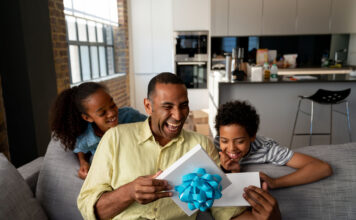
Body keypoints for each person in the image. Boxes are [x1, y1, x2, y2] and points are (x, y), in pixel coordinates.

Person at [77, 72, 281, 220]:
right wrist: (128, 192)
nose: (178, 115)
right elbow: (89, 208)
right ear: (148, 106)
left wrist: (270, 218)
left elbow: (222, 208)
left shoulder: (201, 144)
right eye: (167, 107)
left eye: (183, 105)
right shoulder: (115, 138)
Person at [215, 100, 333, 189]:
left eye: (240, 141)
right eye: (224, 141)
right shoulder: (215, 145)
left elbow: (323, 168)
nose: (231, 148)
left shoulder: (267, 149)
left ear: (252, 136)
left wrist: (276, 182)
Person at [50, 82, 146, 179]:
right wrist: (83, 162)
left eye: (112, 105)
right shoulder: (87, 137)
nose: (112, 113)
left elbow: (152, 126)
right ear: (87, 118)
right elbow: (80, 149)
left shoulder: (130, 116)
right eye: (102, 113)